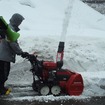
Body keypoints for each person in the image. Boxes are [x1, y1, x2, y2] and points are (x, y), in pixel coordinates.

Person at [0, 13, 29, 95]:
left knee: (2, 73)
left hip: (3, 55)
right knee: (3, 74)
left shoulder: (8, 28)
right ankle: (0, 89)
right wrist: (21, 52)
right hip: (3, 56)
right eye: (20, 21)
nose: (20, 23)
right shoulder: (10, 30)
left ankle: (1, 87)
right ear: (16, 21)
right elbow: (13, 44)